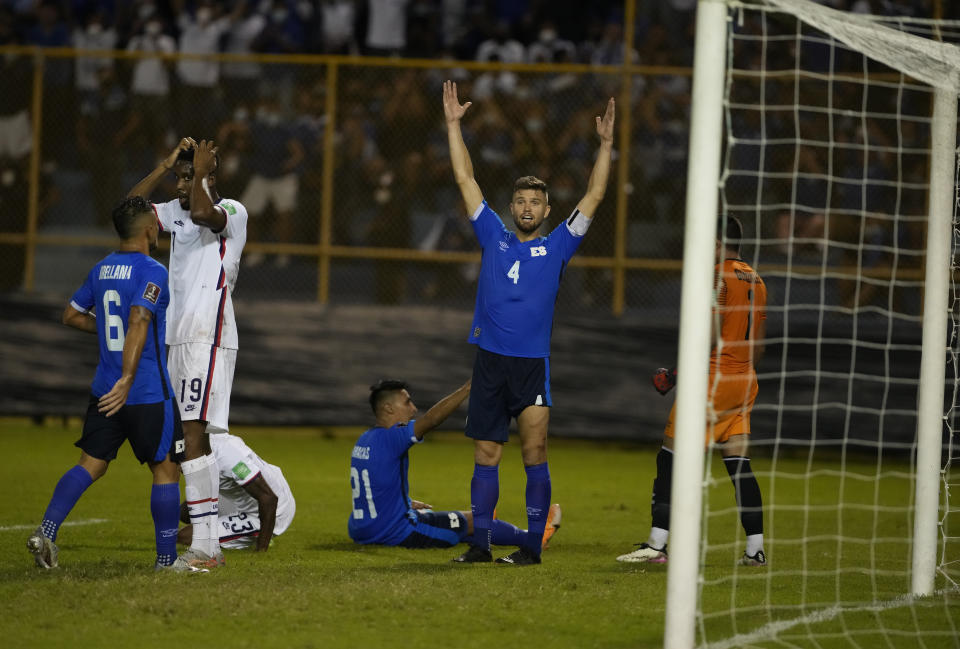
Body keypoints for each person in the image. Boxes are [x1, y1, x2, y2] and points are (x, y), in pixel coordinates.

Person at [441, 80, 614, 565]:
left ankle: (532, 550)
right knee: (486, 455)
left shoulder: (559, 244)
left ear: (546, 210)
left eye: (535, 203)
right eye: (520, 202)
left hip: (531, 365)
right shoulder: (492, 234)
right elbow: (465, 178)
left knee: (534, 453)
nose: (526, 208)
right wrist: (454, 126)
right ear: (511, 207)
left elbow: (596, 194)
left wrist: (605, 146)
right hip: (491, 362)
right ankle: (479, 547)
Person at [26, 196, 192, 572]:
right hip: (146, 390)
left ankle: (46, 531)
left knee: (91, 464)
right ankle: (166, 561)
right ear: (150, 229)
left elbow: (70, 315)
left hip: (104, 388)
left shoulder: (101, 269)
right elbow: (138, 319)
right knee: (166, 469)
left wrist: (104, 336)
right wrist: (129, 377)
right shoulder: (153, 270)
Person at [616, 216, 768, 567]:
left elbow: (710, 333)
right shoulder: (756, 279)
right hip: (745, 381)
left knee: (669, 458)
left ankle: (657, 545)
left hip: (712, 383)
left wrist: (674, 375)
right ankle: (755, 550)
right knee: (740, 466)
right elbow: (758, 346)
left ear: (716, 244)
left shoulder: (717, 276)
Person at [128, 137, 249, 570]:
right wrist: (165, 165)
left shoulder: (233, 212)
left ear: (210, 177)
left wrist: (199, 172)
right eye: (181, 178)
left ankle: (205, 550)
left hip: (207, 336)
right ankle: (207, 544)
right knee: (187, 442)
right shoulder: (174, 210)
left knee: (194, 438)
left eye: (189, 176)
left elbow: (202, 211)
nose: (182, 186)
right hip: (176, 339)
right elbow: (128, 212)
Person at [348, 379, 561, 550]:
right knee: (475, 520)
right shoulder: (392, 437)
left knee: (450, 520)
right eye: (407, 402)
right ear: (388, 408)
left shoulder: (365, 439)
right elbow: (431, 420)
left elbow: (372, 484)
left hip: (361, 529)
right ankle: (534, 537)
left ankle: (481, 532)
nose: (413, 409)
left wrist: (404, 501)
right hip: (394, 532)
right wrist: (468, 388)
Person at [178, 432, 295, 552]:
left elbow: (269, 498)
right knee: (184, 512)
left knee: (185, 536)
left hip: (275, 509)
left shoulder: (230, 461)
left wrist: (261, 550)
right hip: (246, 496)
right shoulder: (210, 441)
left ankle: (264, 535)